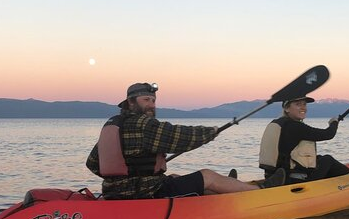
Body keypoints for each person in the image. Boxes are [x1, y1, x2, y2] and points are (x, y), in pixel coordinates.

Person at [87, 82, 285, 200]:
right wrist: (212, 131)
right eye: (146, 100)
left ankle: (229, 188)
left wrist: (129, 173)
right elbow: (180, 136)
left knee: (172, 176)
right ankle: (261, 191)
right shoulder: (142, 124)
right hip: (144, 195)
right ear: (131, 102)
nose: (151, 105)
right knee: (207, 176)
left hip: (116, 193)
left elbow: (93, 163)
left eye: (153, 100)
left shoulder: (113, 124)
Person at [259, 96, 349, 184]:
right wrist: (334, 122)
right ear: (287, 109)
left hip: (276, 175)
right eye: (298, 104)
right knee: (328, 160)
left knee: (318, 158)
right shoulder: (295, 126)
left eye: (304, 104)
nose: (303, 108)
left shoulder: (278, 123)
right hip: (293, 179)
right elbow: (328, 134)